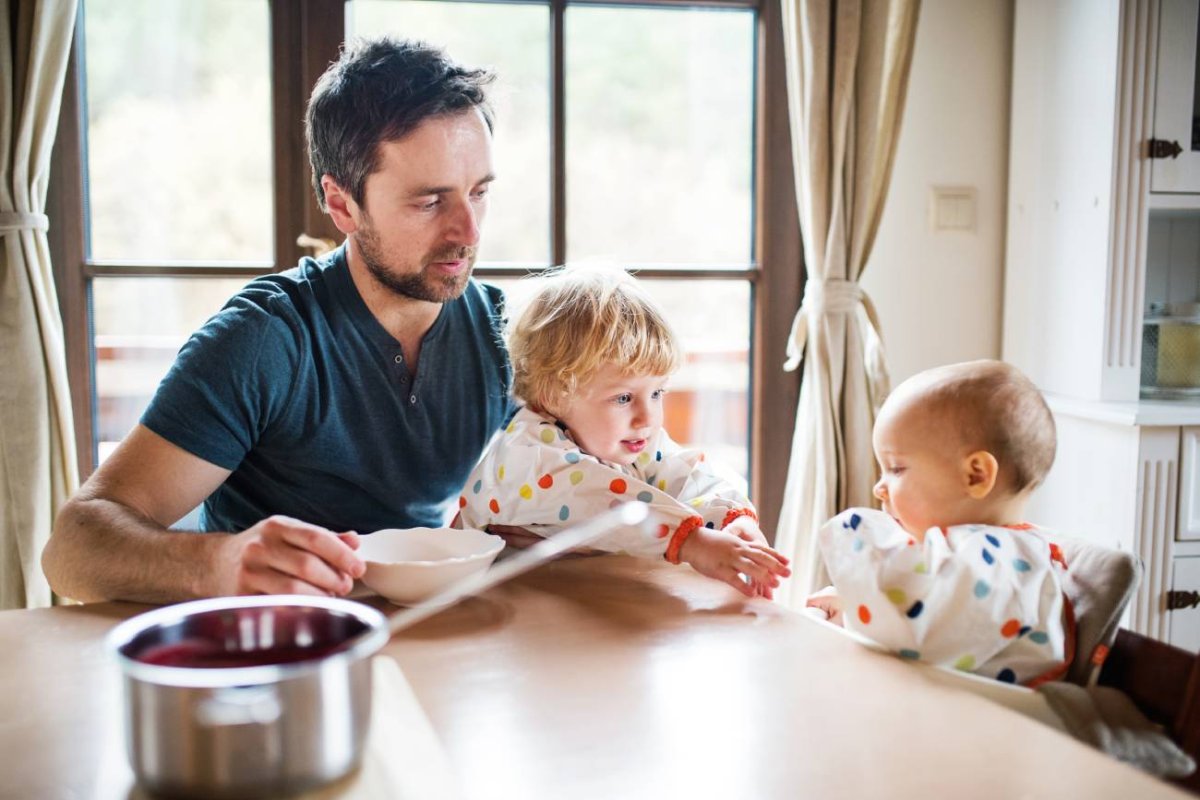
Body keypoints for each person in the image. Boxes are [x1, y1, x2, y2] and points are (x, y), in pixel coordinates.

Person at [42, 38, 515, 603]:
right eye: (429, 202)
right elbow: (71, 550)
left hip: (432, 630)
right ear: (341, 204)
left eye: (479, 192)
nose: (469, 231)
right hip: (274, 637)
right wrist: (217, 563)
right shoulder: (265, 338)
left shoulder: (505, 332)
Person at [457, 266, 791, 598]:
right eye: (623, 398)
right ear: (553, 394)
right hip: (493, 610)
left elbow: (687, 471)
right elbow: (597, 498)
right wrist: (691, 541)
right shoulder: (528, 453)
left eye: (657, 393)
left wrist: (732, 518)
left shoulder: (628, 440)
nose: (647, 417)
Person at [806, 359, 1073, 686]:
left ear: (975, 476)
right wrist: (854, 610)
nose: (879, 488)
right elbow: (926, 619)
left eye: (896, 469)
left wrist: (855, 536)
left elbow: (919, 636)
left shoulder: (1003, 561)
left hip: (993, 713)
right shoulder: (977, 551)